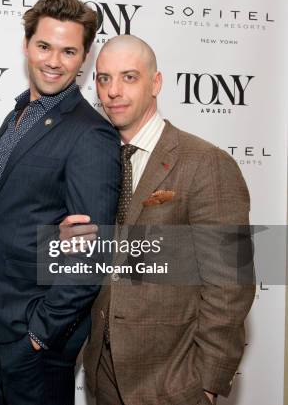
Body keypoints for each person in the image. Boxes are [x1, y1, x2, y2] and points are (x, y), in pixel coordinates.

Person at [63, 35, 255, 405]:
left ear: (156, 83)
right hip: (103, 379)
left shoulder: (205, 163)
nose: (113, 91)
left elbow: (231, 283)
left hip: (173, 382)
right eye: (104, 79)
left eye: (129, 77)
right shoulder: (97, 163)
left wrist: (207, 384)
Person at [0, 0, 121, 405]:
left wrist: (40, 330)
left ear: (84, 57)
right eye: (44, 46)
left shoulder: (90, 134)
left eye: (68, 51)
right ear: (26, 45)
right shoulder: (17, 115)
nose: (54, 61)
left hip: (36, 336)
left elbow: (93, 249)